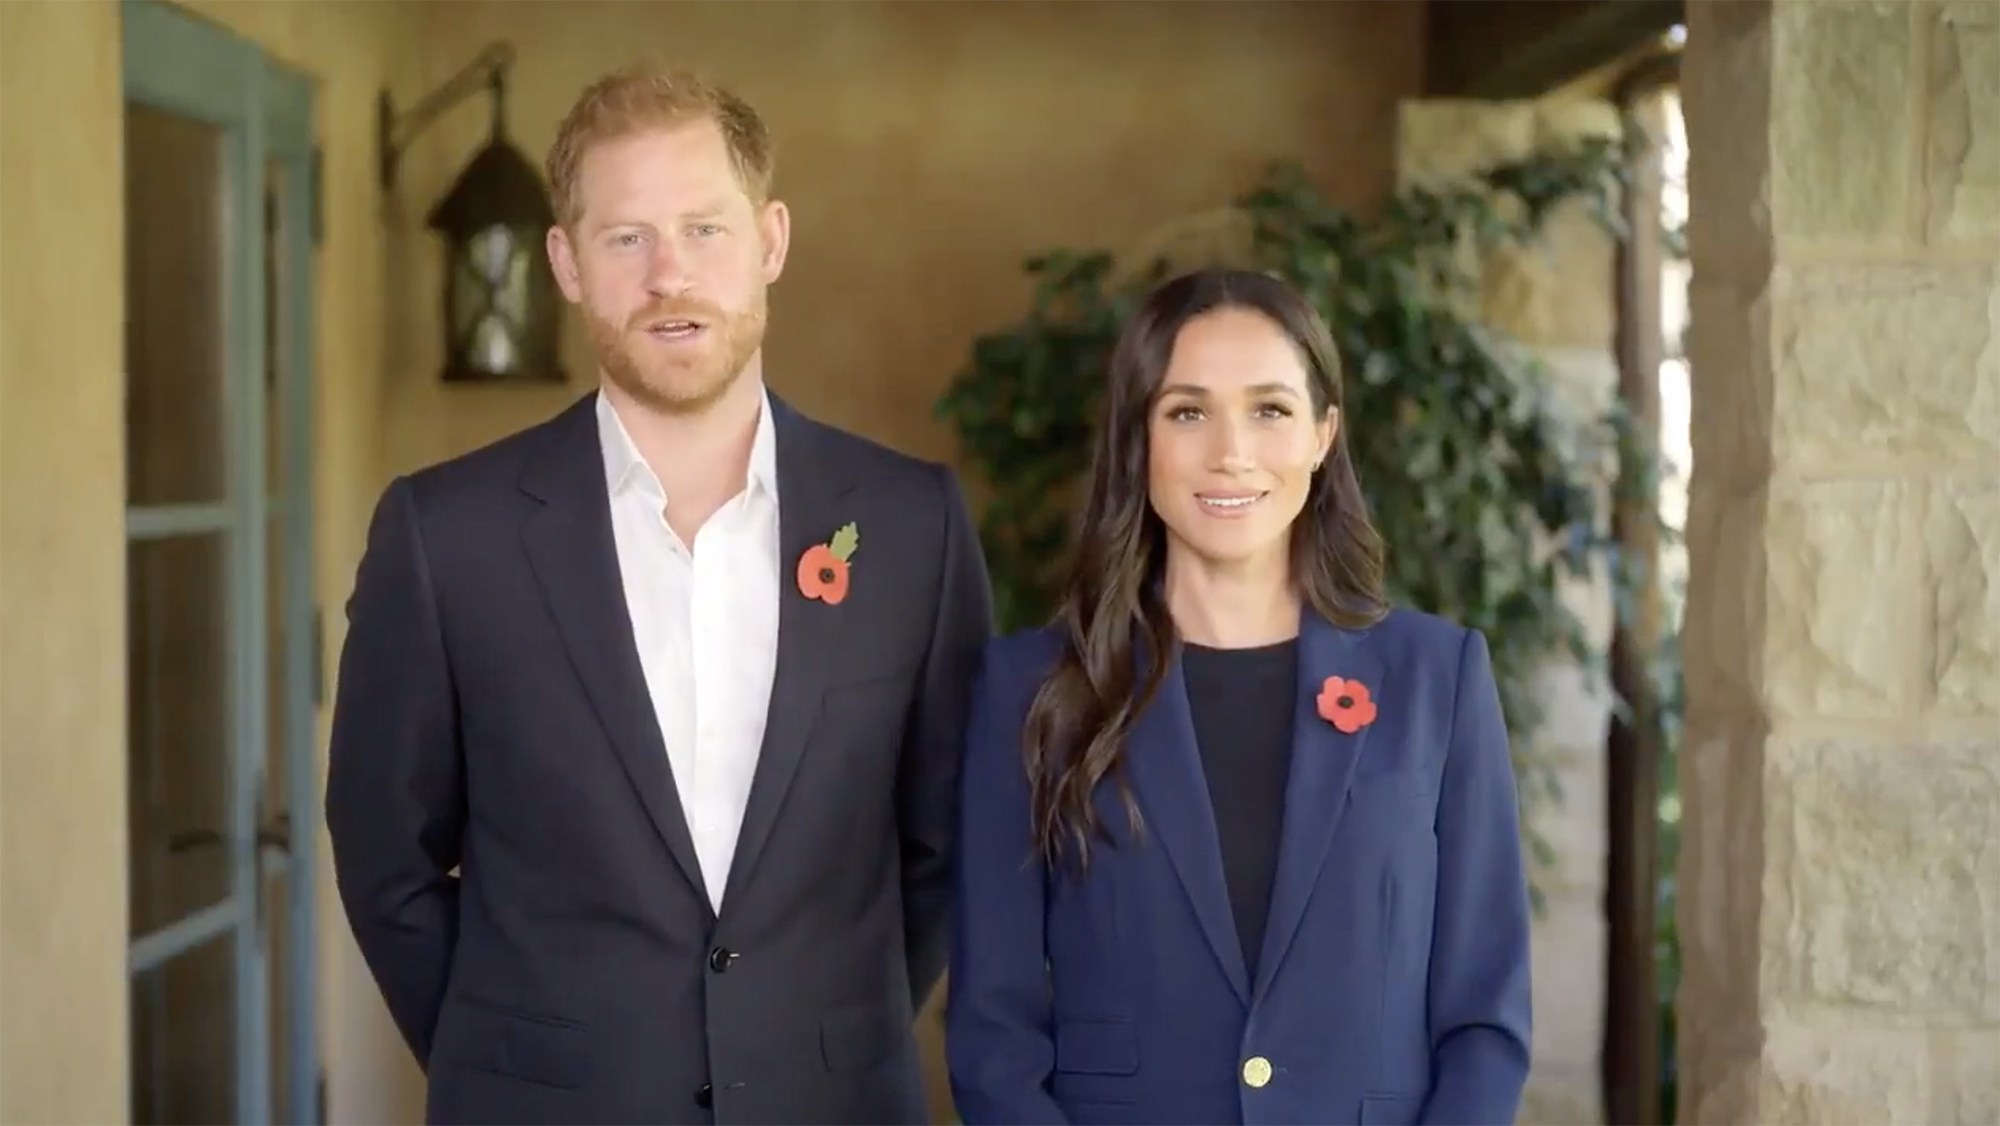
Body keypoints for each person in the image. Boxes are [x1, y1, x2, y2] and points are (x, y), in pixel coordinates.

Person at [326, 64, 992, 1125]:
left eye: (703, 229)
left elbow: (945, 840)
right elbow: (383, 852)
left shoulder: (914, 525)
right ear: (566, 263)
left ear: (770, 241)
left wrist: (814, 1024)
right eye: (625, 238)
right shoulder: (445, 534)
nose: (667, 276)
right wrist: (505, 1049)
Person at [945, 267, 1531, 1126]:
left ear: (1325, 433)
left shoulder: (1435, 681)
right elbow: (994, 1035)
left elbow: (1485, 1017)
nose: (1231, 451)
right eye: (1188, 411)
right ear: (1139, 437)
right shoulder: (1031, 693)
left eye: (1270, 409)